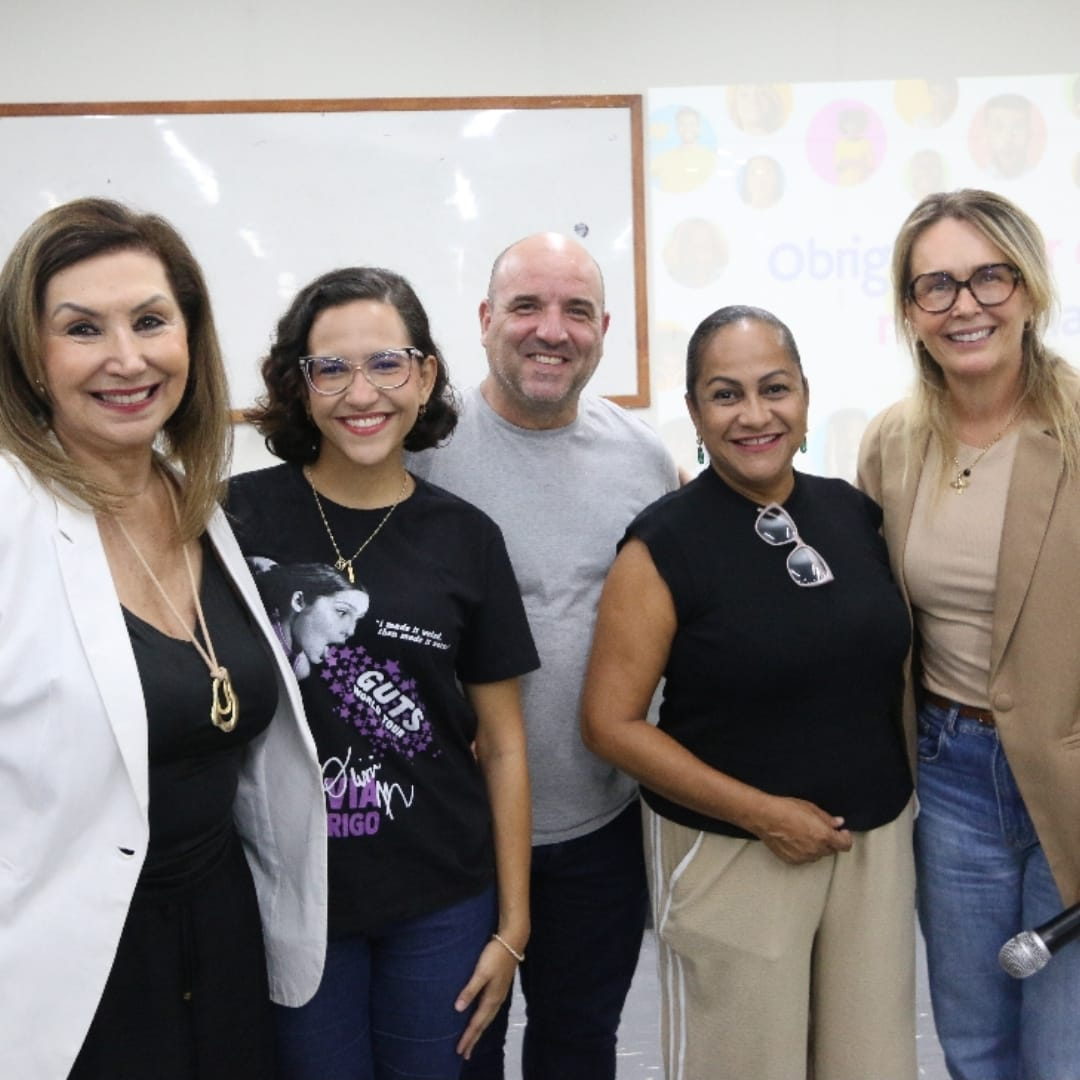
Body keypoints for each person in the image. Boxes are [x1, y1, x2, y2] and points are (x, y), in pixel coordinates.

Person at [0, 197, 327, 1079]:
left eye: (151, 321)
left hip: (221, 937)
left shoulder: (194, 504)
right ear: (31, 359)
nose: (127, 358)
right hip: (70, 966)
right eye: (81, 328)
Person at [581, 305, 917, 1080]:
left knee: (873, 1065)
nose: (755, 414)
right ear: (695, 412)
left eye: (776, 388)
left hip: (872, 844)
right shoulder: (662, 544)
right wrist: (764, 814)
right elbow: (609, 724)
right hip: (733, 853)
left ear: (805, 396)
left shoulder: (852, 511)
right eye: (726, 395)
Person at [228, 266, 537, 1079]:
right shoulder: (231, 519)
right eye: (330, 367)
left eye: (387, 363)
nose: (359, 392)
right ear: (300, 385)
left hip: (439, 898)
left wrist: (513, 925)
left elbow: (503, 744)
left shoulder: (468, 539)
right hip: (287, 892)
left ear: (426, 373)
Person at [409, 232, 679, 1079]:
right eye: (526, 306)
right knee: (458, 1051)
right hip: (453, 834)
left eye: (576, 311)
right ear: (486, 320)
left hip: (598, 827)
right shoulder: (417, 448)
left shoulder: (642, 459)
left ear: (605, 329)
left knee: (578, 1045)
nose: (550, 330)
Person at [858, 188, 1080, 1080]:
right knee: (976, 1045)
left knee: (1061, 1052)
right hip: (950, 779)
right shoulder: (894, 445)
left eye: (989, 276)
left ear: (1028, 288)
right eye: (936, 286)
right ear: (911, 314)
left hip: (1069, 774)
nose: (966, 305)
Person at [248, 559, 370, 679]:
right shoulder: (252, 627)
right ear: (299, 601)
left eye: (357, 619)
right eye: (342, 612)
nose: (351, 631)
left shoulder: (299, 669)